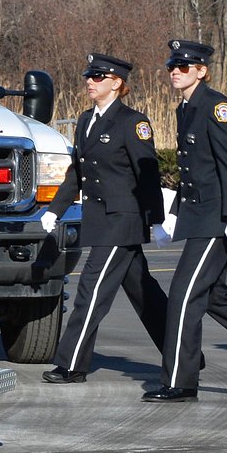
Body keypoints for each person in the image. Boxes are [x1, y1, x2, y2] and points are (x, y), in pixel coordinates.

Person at [40, 53, 167, 384]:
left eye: (98, 77)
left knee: (90, 290)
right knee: (145, 294)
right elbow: (77, 173)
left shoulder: (132, 122)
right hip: (101, 220)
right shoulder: (85, 120)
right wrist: (55, 209)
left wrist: (155, 219)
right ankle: (186, 355)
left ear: (116, 83)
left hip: (122, 220)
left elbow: (148, 174)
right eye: (88, 76)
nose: (90, 81)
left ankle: (70, 365)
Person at [144, 39, 227, 402]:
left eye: (184, 67)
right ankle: (181, 378)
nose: (175, 71)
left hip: (218, 220)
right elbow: (193, 173)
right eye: (172, 66)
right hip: (199, 217)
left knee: (184, 294)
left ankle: (180, 381)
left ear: (201, 71)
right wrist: (173, 217)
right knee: (215, 298)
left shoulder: (215, 106)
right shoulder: (185, 109)